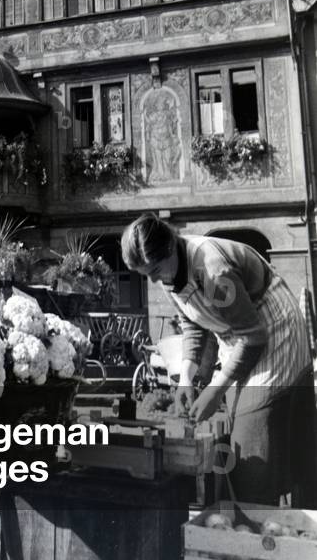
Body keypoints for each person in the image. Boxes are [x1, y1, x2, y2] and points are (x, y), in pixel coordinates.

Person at [121, 213, 317, 505]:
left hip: (274, 330)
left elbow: (253, 337)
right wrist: (186, 377)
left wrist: (215, 389)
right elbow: (193, 322)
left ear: (172, 247)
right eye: (144, 274)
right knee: (240, 420)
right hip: (239, 337)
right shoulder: (169, 271)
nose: (152, 280)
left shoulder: (213, 270)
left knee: (253, 430)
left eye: (155, 270)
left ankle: (273, 515)